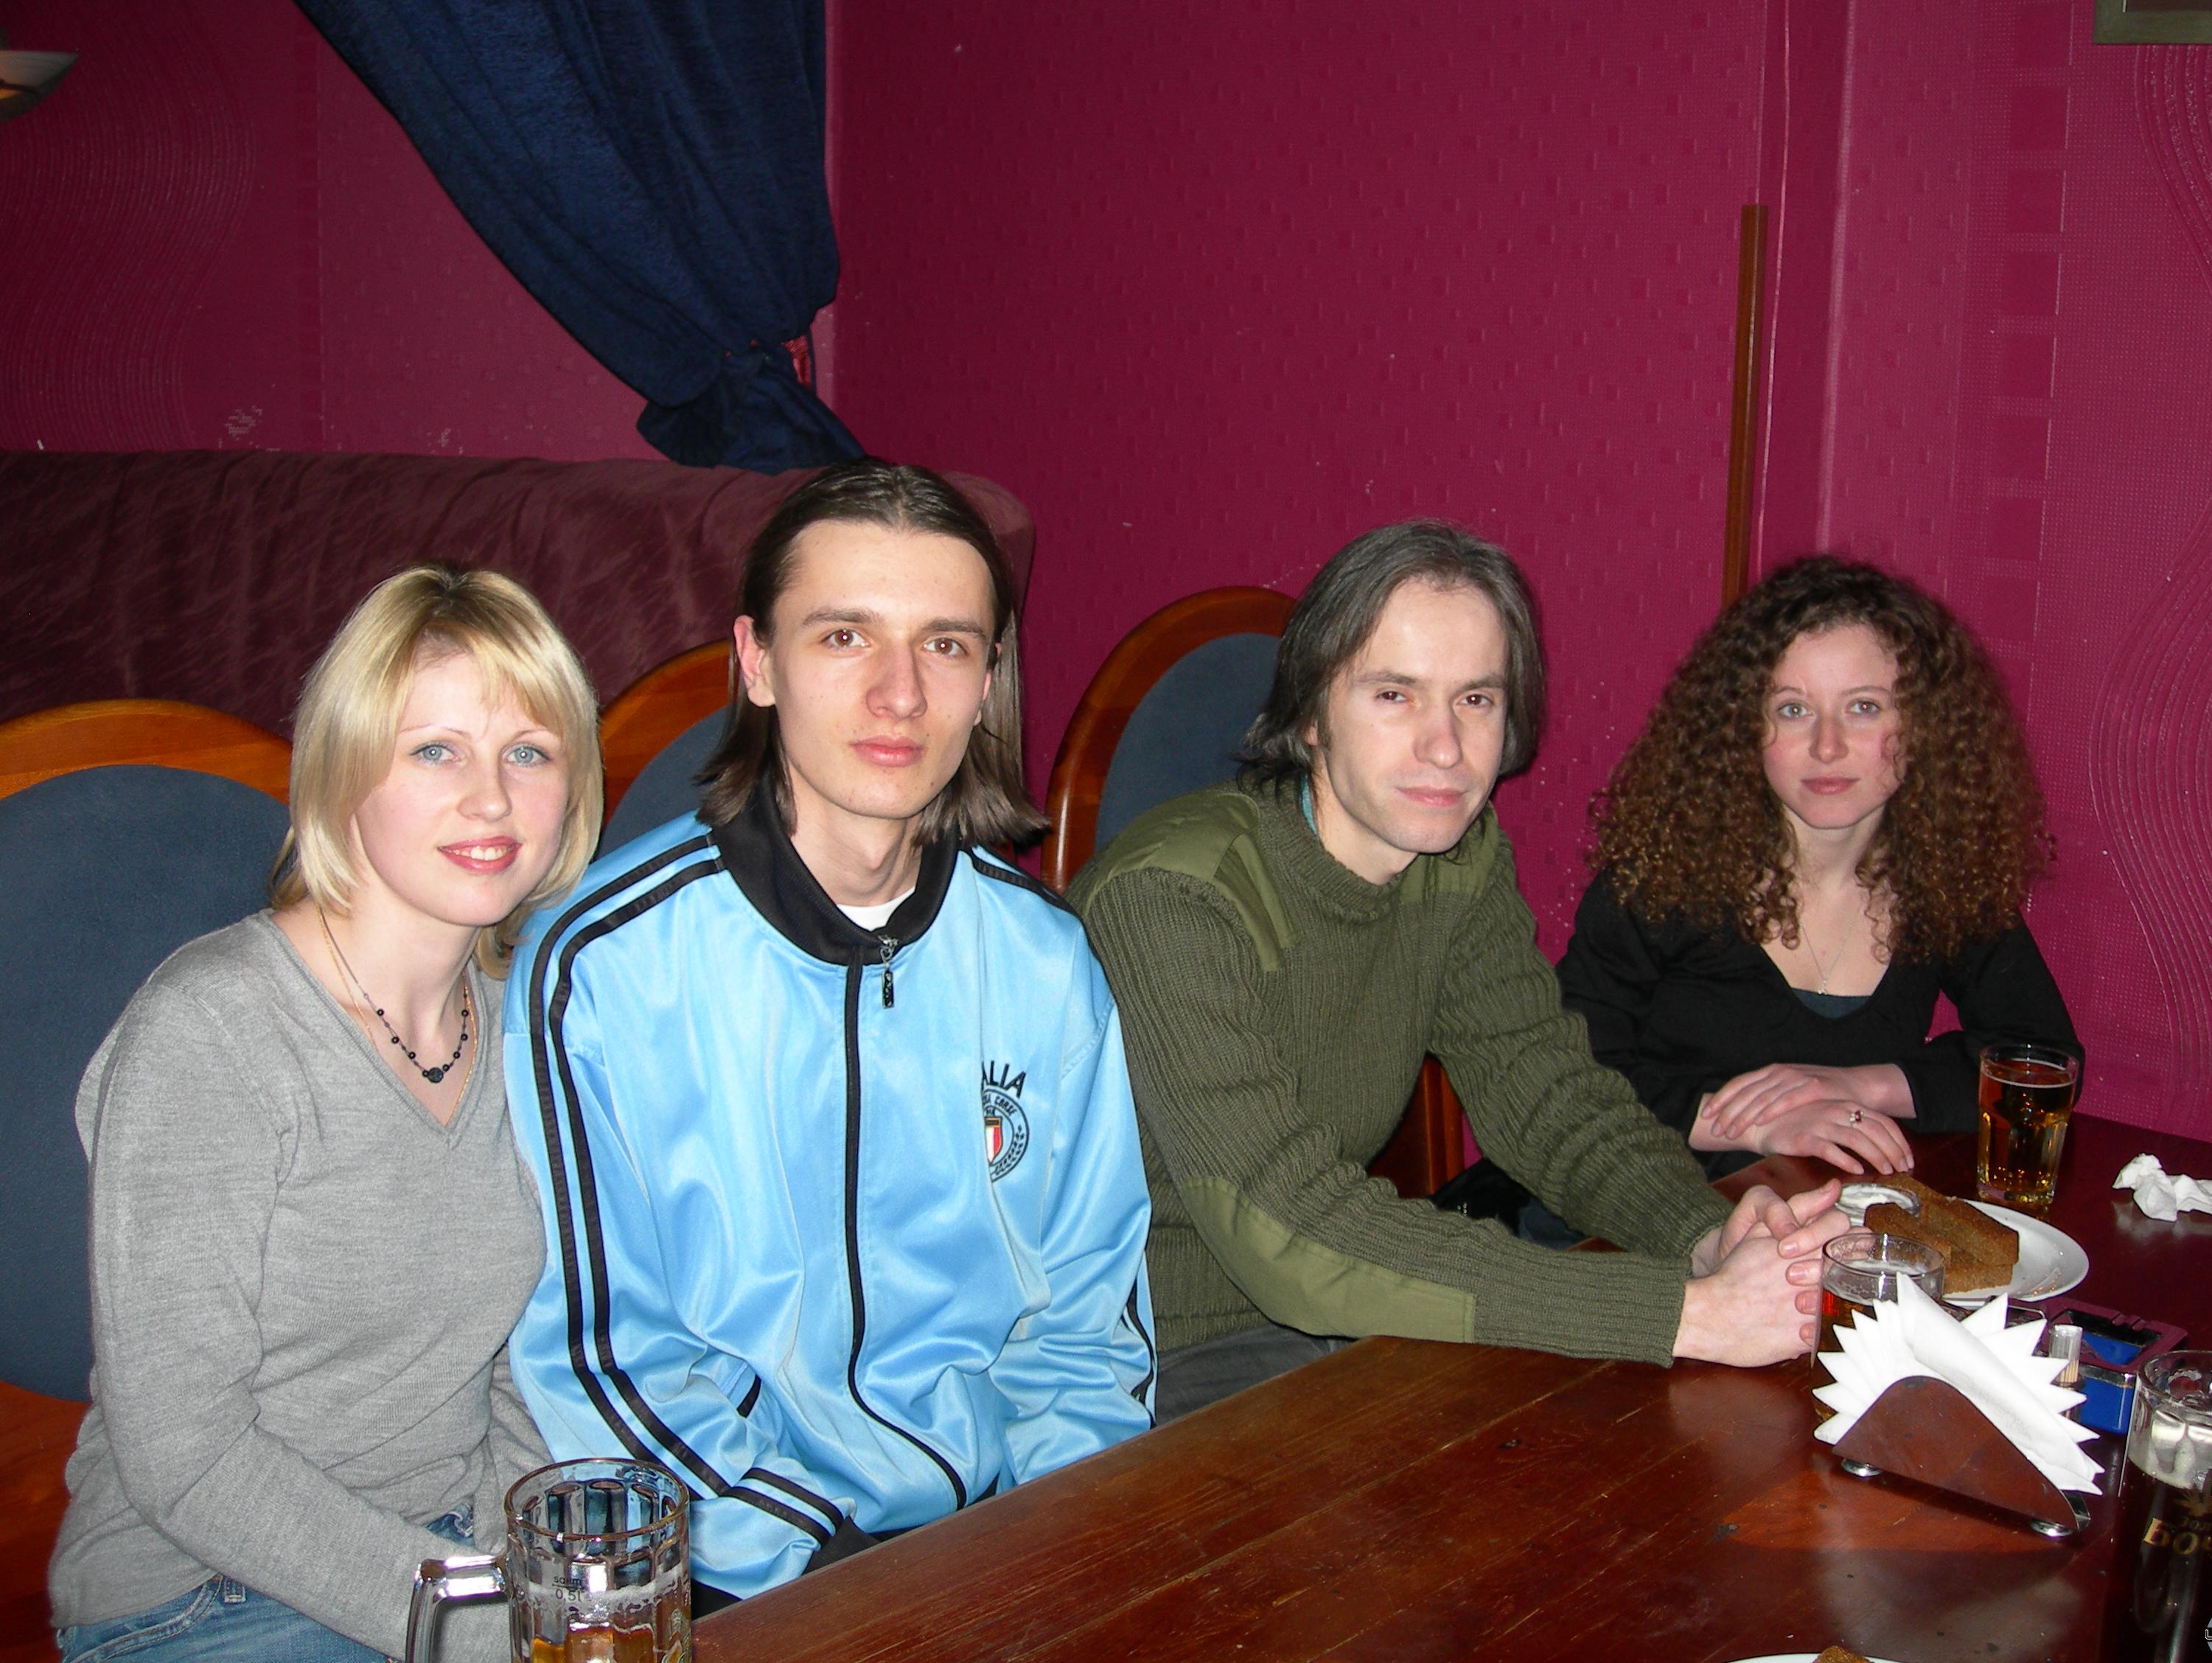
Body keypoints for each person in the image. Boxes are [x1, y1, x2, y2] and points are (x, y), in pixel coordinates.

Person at [505, 460, 1154, 1608]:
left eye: (945, 644)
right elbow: (606, 1355)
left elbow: (1087, 1331)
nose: (900, 694)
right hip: (747, 1564)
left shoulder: (1046, 963)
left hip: (1012, 1539)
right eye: (845, 637)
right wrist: (826, 1574)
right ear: (757, 662)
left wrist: (1068, 1548)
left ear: (988, 680)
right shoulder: (599, 968)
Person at [1070, 521, 1846, 1423]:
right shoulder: (1173, 899)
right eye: (1394, 695)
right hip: (1139, 1357)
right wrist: (1684, 1314)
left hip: (1326, 1331)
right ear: (1312, 717)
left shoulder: (1453, 859)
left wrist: (1703, 1234)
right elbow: (1287, 1229)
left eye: (1476, 699)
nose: (1445, 747)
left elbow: (1549, 1101)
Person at [51, 565, 603, 1661]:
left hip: (453, 1556)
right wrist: (476, 1628)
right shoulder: (210, 1032)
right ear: (345, 770)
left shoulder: (526, 1025)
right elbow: (184, 1455)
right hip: (202, 1590)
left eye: (528, 753)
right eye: (435, 751)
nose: (491, 800)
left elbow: (516, 1364)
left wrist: (525, 1577)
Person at [1555, 554, 2076, 1192]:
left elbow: (2040, 1062)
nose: (1828, 747)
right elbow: (1565, 1080)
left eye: (1864, 707)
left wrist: (1856, 1087)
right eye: (1793, 710)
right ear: (1744, 728)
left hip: (1823, 1221)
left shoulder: (1944, 884)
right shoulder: (1659, 882)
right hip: (1633, 1210)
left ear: (1924, 727)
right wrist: (1755, 1125)